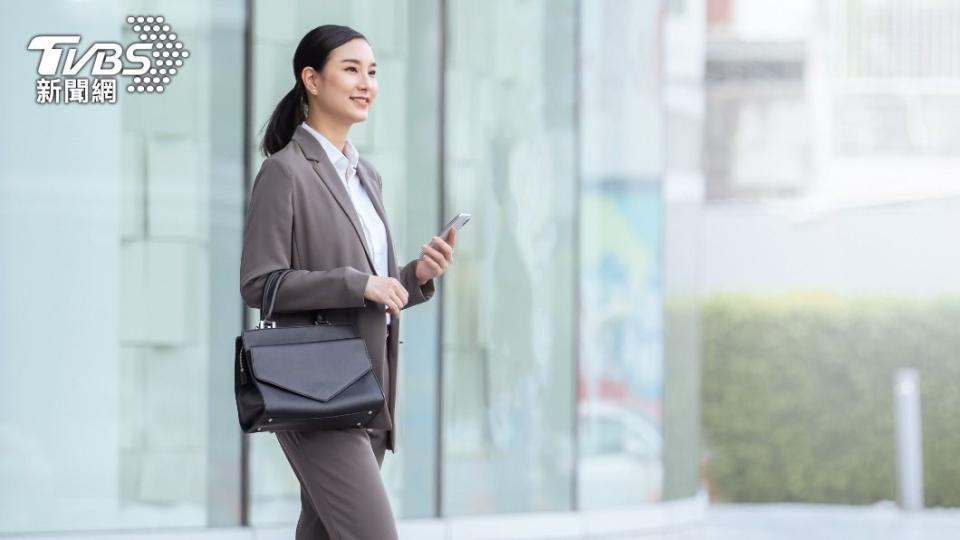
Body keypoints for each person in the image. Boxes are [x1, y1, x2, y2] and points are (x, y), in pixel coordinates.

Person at [239, 24, 455, 540]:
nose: (366, 83)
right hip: (317, 392)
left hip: (369, 388)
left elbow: (372, 288)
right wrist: (359, 283)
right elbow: (259, 283)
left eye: (373, 72)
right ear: (311, 80)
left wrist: (414, 278)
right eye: (352, 69)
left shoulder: (366, 176)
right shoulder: (285, 172)